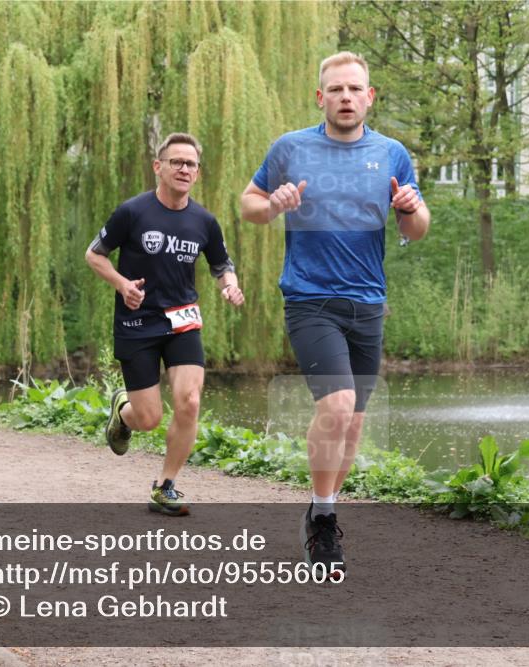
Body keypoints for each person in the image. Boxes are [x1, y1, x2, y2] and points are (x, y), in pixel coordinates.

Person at [240, 52, 430, 574]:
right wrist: (273, 205)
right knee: (339, 405)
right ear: (319, 97)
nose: (346, 97)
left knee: (353, 425)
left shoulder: (392, 154)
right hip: (310, 299)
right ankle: (324, 521)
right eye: (336, 89)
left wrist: (412, 210)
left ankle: (322, 508)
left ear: (369, 97)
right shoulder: (291, 148)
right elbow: (248, 205)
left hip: (369, 303)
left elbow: (416, 230)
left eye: (355, 89)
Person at [86, 133, 244, 516]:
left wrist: (230, 285)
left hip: (183, 321)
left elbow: (221, 264)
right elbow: (95, 255)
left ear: (197, 172)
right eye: (176, 162)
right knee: (149, 419)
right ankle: (124, 412)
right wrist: (122, 285)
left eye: (190, 164)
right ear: (159, 167)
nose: (184, 169)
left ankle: (166, 485)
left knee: (189, 401)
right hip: (136, 323)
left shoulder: (204, 220)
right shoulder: (133, 212)